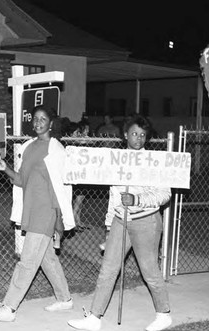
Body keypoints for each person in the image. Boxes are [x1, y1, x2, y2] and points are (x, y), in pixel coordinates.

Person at [68, 114, 172, 331]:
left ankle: (164, 314)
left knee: (149, 269)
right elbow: (113, 196)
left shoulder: (153, 161)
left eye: (143, 135)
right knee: (108, 269)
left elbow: (165, 194)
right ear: (125, 135)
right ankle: (95, 317)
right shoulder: (116, 160)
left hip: (147, 221)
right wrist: (108, 226)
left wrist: (137, 199)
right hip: (120, 220)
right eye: (134, 134)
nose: (138, 139)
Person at [0, 106, 76, 322]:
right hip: (31, 210)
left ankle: (9, 307)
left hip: (46, 213)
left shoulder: (57, 151)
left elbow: (61, 187)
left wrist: (59, 219)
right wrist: (5, 168)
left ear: (51, 124)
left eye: (43, 119)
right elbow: (22, 180)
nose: (38, 123)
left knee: (27, 262)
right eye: (35, 119)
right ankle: (65, 299)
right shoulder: (28, 148)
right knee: (47, 259)